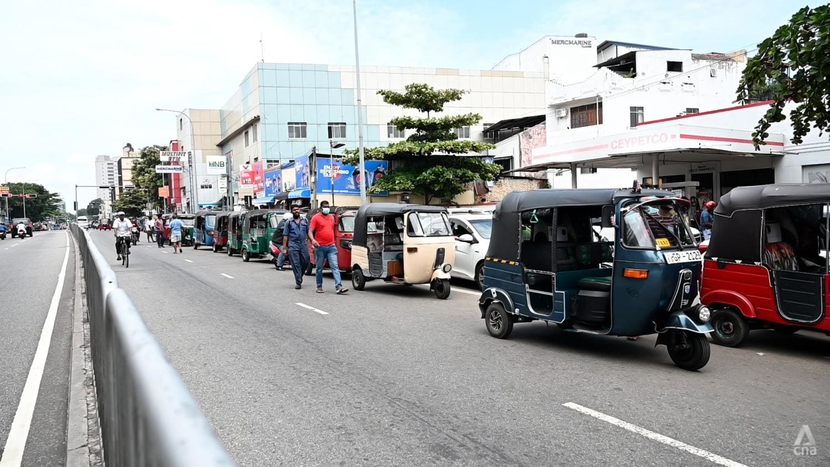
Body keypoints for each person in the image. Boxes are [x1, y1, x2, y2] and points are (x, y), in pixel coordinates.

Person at [308, 201, 348, 294]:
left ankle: (339, 287)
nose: (327, 208)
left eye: (328, 206)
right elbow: (310, 231)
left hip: (331, 246)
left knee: (335, 266)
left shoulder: (331, 217)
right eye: (325, 207)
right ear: (321, 208)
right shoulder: (315, 218)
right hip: (320, 246)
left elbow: (333, 229)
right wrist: (313, 240)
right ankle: (319, 286)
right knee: (319, 268)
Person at [283, 205, 310, 289]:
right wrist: (285, 248)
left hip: (303, 244)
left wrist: (312, 243)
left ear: (300, 210)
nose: (296, 211)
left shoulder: (305, 220)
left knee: (306, 261)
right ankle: (298, 281)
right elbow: (285, 235)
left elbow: (309, 233)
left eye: (297, 209)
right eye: (294, 210)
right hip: (293, 245)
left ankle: (299, 275)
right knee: (296, 264)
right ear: (292, 212)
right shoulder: (289, 222)